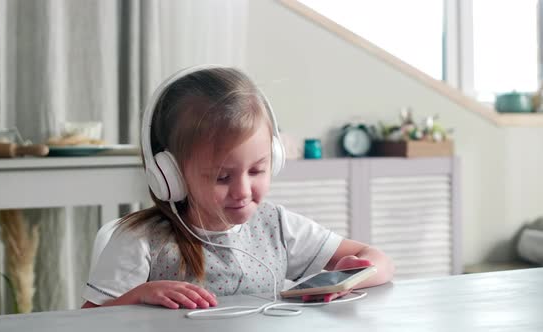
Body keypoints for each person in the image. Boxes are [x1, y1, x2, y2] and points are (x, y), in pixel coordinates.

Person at [81, 65, 394, 310]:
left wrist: (355, 275)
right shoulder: (141, 241)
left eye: (257, 170)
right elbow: (86, 322)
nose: (243, 191)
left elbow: (377, 259)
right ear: (171, 174)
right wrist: (139, 296)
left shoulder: (278, 227)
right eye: (221, 177)